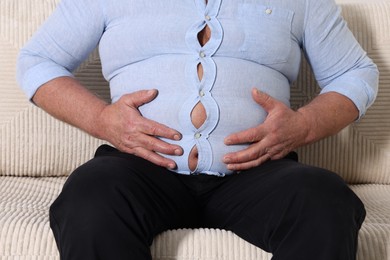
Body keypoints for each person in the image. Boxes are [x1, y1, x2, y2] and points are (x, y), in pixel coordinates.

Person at [17, 0, 378, 259]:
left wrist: (304, 124)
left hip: (257, 173)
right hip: (139, 169)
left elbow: (356, 74)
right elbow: (38, 62)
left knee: (324, 198)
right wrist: (100, 118)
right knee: (90, 198)